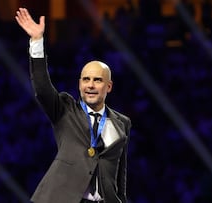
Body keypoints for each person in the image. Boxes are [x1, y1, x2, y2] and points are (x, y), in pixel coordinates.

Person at [15, 8, 131, 203]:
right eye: (86, 79)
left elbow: (120, 174)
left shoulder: (122, 122)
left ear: (108, 86)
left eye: (97, 80)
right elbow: (43, 89)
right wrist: (37, 42)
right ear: (79, 84)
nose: (91, 85)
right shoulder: (65, 110)